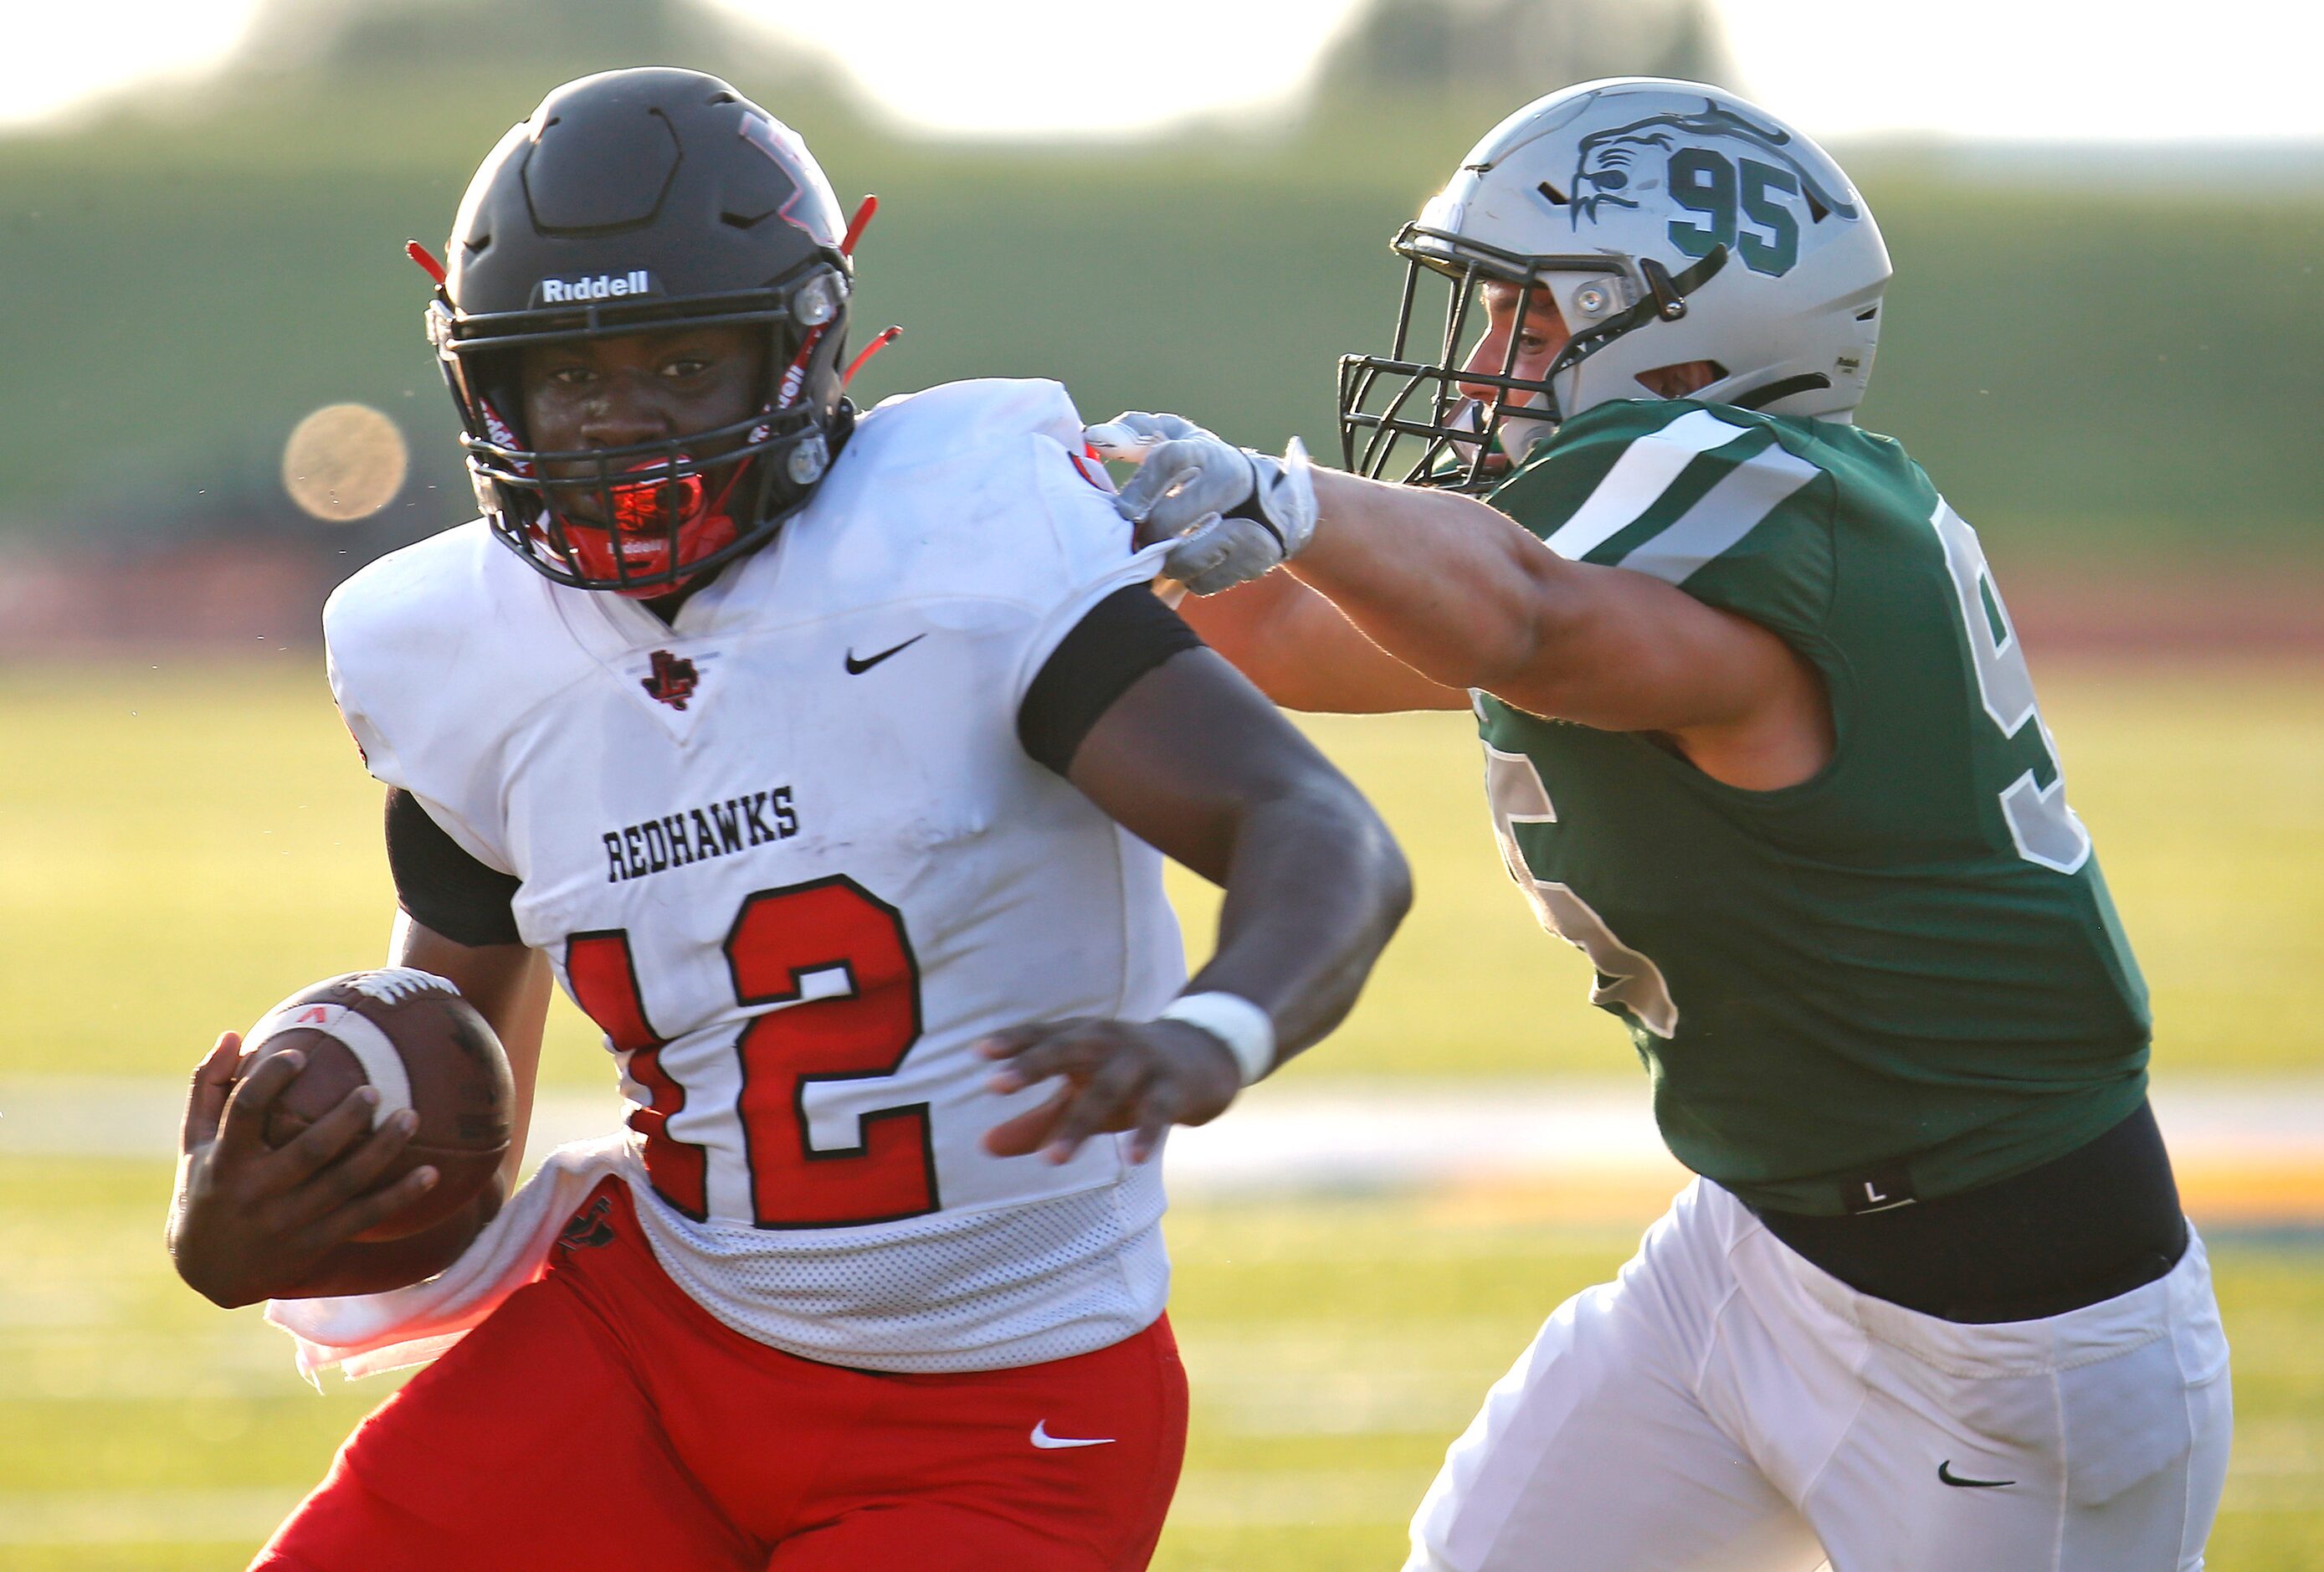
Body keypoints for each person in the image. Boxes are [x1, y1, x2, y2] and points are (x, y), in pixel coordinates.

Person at [165, 67, 1410, 1571]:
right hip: (656, 1347)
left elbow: (1316, 832)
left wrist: (1218, 1026)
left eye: (680, 366)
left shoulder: (961, 549)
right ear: (487, 387)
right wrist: (270, 1228)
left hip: (1003, 1417)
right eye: (568, 378)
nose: (619, 429)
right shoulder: (463, 653)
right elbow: (452, 1093)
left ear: (799, 353)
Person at [1089, 77, 2230, 1572]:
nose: (1487, 359)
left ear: (1693, 336)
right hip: (1759, 1250)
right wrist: (1061, 510)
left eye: (1532, 320)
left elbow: (1526, 619)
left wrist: (1285, 497)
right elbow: (1291, 640)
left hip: (2009, 1328)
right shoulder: (1668, 525)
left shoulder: (1758, 503)